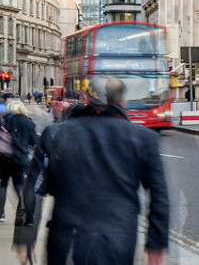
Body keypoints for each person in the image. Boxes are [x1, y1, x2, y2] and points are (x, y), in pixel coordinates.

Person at [14, 77, 169, 265]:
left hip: (66, 239)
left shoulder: (56, 133)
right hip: (118, 240)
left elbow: (33, 185)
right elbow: (159, 195)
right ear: (122, 101)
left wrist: (25, 235)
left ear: (87, 99)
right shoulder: (144, 138)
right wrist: (156, 243)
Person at [0, 102, 37, 224]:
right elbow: (34, 141)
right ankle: (22, 206)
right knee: (19, 184)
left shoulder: (5, 120)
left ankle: (1, 213)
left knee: (3, 184)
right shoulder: (28, 122)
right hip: (21, 158)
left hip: (4, 157)